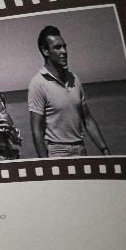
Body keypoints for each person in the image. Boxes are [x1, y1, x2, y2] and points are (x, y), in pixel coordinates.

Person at [28, 26, 110, 158]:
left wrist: (105, 150)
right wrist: (46, 164)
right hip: (57, 152)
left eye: (64, 47)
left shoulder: (74, 79)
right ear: (45, 51)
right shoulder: (38, 83)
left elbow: (87, 119)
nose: (64, 51)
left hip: (81, 149)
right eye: (57, 47)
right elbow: (36, 130)